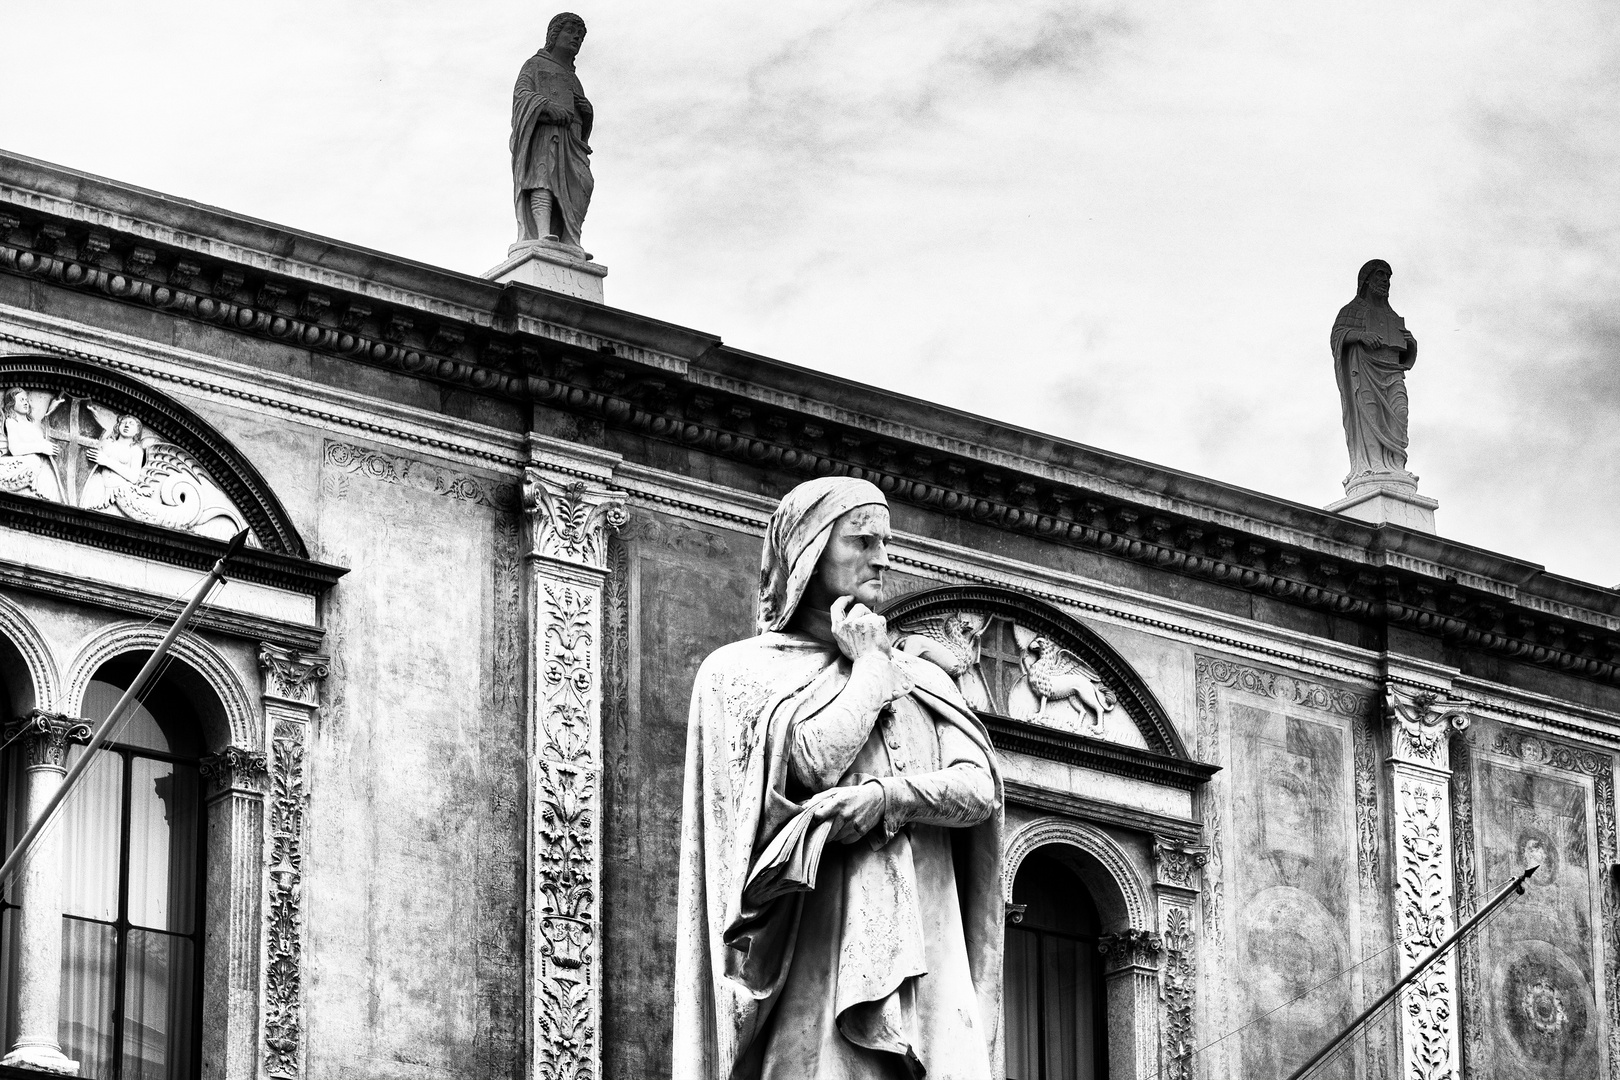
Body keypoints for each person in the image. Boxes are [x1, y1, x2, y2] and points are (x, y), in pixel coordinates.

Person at [674, 476, 1004, 1080]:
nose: (882, 558)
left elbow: (978, 790)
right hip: (808, 963)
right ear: (809, 549)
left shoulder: (926, 681)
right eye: (862, 541)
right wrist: (872, 670)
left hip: (926, 967)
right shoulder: (741, 675)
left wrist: (885, 799)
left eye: (887, 542)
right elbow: (812, 761)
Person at [510, 13, 594, 249]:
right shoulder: (535, 65)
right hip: (546, 134)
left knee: (582, 183)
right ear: (554, 35)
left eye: (581, 36)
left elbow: (581, 118)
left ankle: (571, 238)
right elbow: (521, 95)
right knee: (542, 178)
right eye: (571, 31)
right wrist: (546, 106)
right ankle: (542, 234)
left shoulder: (573, 78)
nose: (576, 37)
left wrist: (587, 113)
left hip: (572, 142)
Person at [1331, 259, 1419, 481]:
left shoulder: (1392, 315)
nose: (1385, 281)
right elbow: (1337, 336)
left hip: (1392, 372)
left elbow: (1406, 357)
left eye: (1388, 277)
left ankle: (1396, 465)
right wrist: (1361, 335)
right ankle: (1374, 464)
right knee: (1370, 416)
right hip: (1365, 372)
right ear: (1367, 281)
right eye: (1380, 275)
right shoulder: (1351, 311)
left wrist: (1411, 343)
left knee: (1400, 412)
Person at [0, 388, 63, 502]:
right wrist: (41, 448)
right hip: (29, 465)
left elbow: (45, 429)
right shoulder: (12, 422)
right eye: (21, 400)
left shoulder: (33, 424)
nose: (25, 402)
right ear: (12, 403)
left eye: (26, 400)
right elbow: (15, 449)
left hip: (44, 468)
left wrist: (54, 408)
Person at [79, 413, 148, 511]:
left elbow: (133, 477)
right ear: (118, 426)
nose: (126, 425)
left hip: (118, 491)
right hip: (97, 486)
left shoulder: (135, 450)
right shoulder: (106, 443)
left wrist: (106, 461)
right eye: (123, 422)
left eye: (131, 424)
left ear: (137, 431)